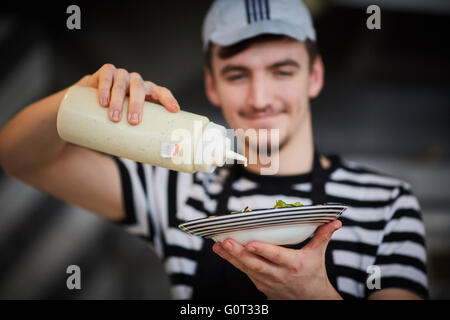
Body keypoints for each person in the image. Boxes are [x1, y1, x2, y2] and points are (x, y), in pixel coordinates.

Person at [0, 0, 428, 300]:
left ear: (314, 76)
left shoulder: (389, 202)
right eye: (238, 74)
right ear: (212, 85)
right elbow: (19, 159)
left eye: (282, 70)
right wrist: (76, 99)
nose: (260, 97)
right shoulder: (176, 189)